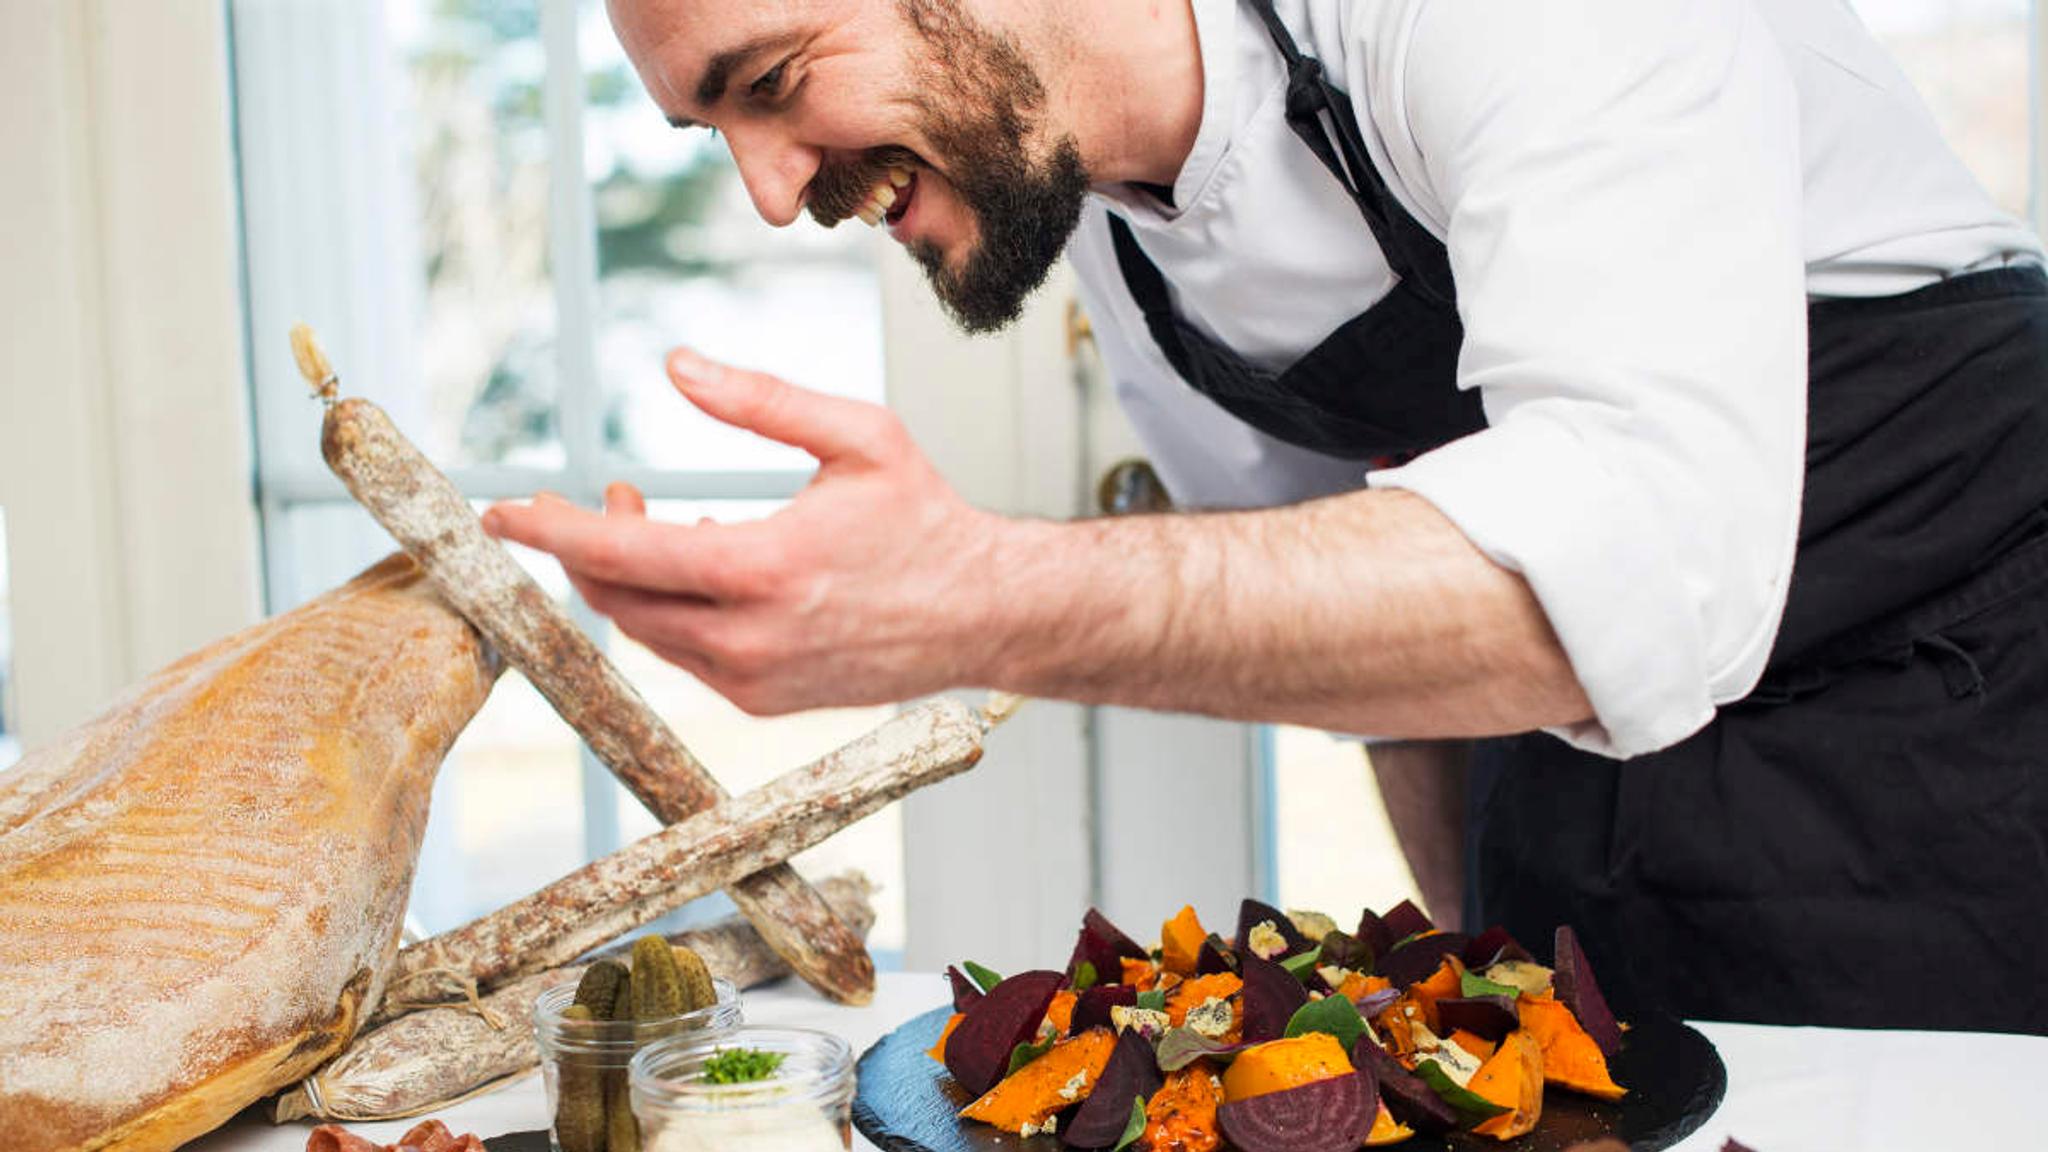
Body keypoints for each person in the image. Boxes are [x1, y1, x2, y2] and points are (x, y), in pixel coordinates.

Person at [484, 0, 2048, 1032]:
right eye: (717, 134)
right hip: (1596, 846)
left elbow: (1632, 556)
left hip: (1958, 738)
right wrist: (1473, 983)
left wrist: (975, 598)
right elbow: (1367, 647)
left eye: (771, 84)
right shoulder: (1105, 230)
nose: (768, 192)